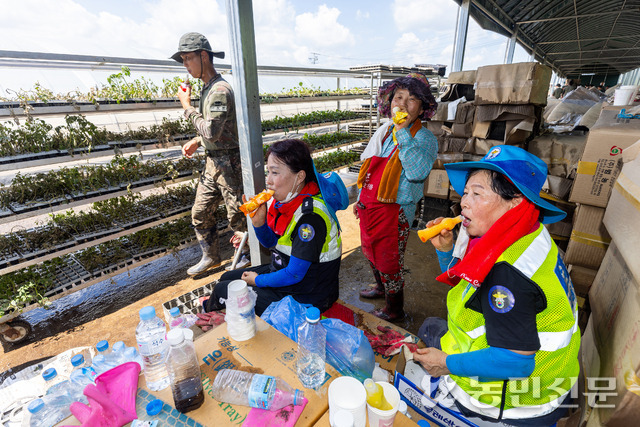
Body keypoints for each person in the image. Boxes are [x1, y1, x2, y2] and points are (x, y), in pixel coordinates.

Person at [414, 145, 580, 426]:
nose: (464, 202)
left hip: (514, 401)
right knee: (431, 327)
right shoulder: (526, 234)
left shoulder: (508, 275)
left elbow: (516, 363)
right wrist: (446, 251)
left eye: (477, 194)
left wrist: (446, 364)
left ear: (515, 202)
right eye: (465, 192)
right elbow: (470, 291)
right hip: (551, 373)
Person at [199, 139, 342, 316]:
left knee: (224, 291)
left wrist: (258, 280)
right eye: (268, 172)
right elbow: (271, 244)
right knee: (227, 278)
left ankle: (206, 320)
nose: (268, 181)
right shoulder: (284, 203)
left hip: (309, 295)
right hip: (287, 272)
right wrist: (259, 224)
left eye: (275, 173)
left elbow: (295, 274)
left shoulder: (310, 219)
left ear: (300, 176)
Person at [355, 73, 438, 321]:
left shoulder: (424, 138)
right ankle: (380, 287)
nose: (402, 103)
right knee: (371, 251)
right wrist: (361, 199)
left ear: (422, 108)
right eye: (398, 96)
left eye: (412, 99)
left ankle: (395, 308)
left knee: (389, 261)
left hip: (395, 212)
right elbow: (369, 166)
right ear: (389, 101)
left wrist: (403, 133)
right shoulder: (384, 130)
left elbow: (416, 172)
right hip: (371, 204)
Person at [171, 32, 248, 276]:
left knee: (237, 216)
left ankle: (247, 257)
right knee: (200, 212)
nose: (185, 65)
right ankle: (211, 256)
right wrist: (196, 140)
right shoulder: (207, 89)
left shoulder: (219, 91)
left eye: (188, 58)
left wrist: (187, 107)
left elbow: (212, 131)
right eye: (182, 60)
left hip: (229, 163)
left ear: (204, 56)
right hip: (213, 161)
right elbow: (216, 129)